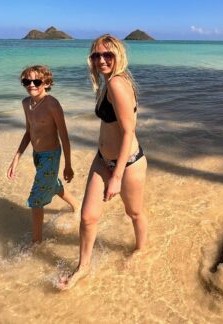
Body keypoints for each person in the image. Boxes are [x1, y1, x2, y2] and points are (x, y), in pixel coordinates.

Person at [58, 34, 147, 290]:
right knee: (87, 217)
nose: (101, 60)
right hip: (102, 160)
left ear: (119, 55)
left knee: (134, 212)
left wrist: (116, 177)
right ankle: (83, 267)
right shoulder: (107, 83)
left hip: (128, 162)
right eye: (97, 55)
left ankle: (141, 250)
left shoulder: (118, 83)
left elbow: (129, 132)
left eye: (108, 54)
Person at [7, 65, 75, 244]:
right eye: (26, 81)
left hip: (51, 156)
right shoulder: (26, 103)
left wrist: (68, 164)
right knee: (53, 185)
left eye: (36, 81)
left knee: (36, 200)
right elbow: (29, 132)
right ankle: (78, 206)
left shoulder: (52, 104)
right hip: (37, 155)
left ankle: (36, 243)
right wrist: (16, 158)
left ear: (46, 83)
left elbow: (64, 137)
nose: (31, 85)